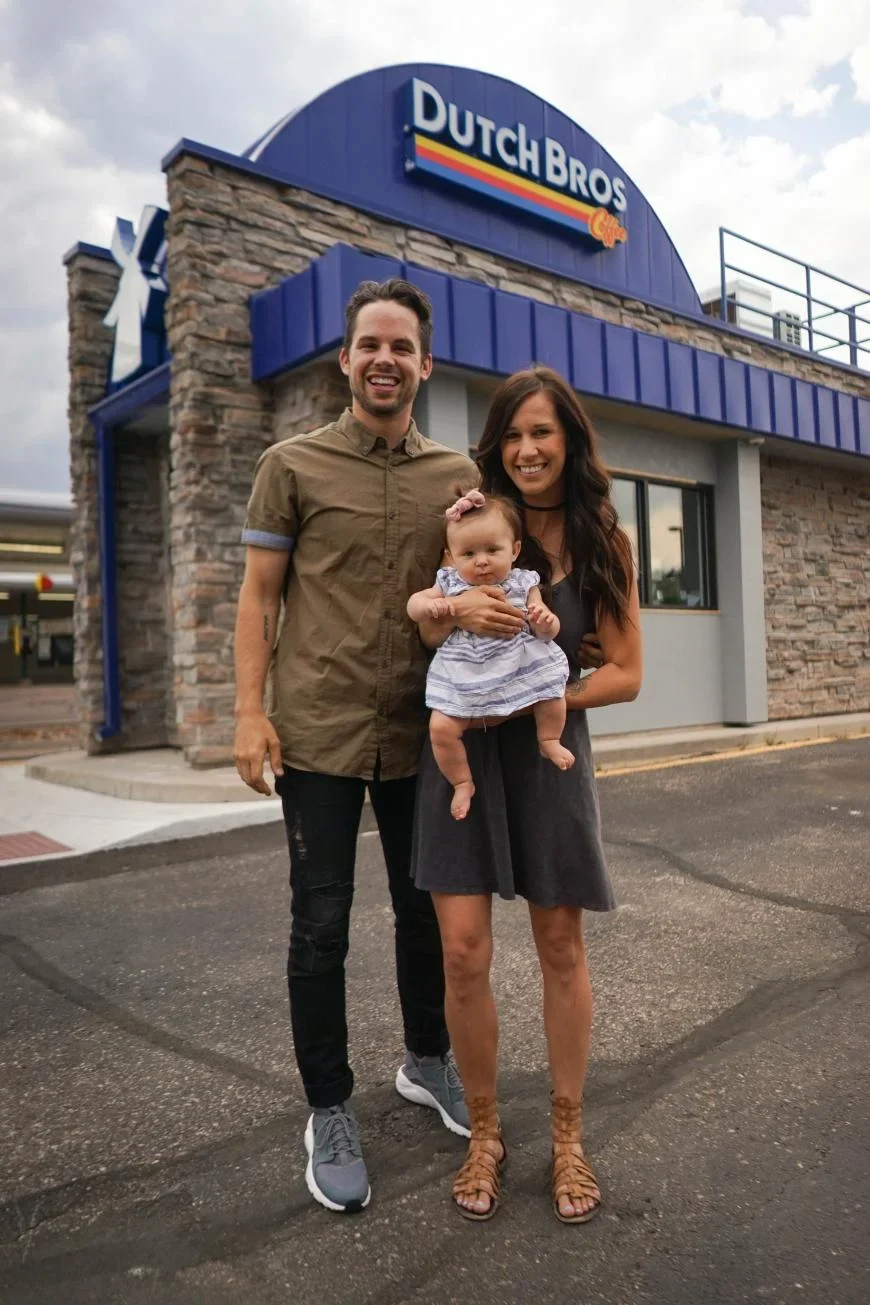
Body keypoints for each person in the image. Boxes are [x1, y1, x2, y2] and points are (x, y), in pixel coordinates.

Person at [233, 278, 494, 1213]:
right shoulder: (290, 464)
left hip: (420, 732)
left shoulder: (455, 477)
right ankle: (329, 1106)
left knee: (425, 912)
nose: (385, 358)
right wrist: (247, 711)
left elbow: (477, 576)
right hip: (320, 733)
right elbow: (259, 598)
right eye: (368, 344)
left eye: (402, 345)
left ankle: (426, 1059)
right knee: (322, 924)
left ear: (426, 363)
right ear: (346, 359)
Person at [410, 365, 643, 1224]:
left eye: (542, 431)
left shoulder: (602, 540)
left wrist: (542, 696)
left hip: (546, 751)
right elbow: (419, 614)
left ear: (570, 440)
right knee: (464, 950)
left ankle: (569, 1135)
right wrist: (454, 613)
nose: (527, 448)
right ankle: (484, 1132)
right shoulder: (469, 527)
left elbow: (626, 673)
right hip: (459, 748)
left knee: (559, 944)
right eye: (512, 433)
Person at [407, 488, 573, 821]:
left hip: (518, 664)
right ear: (451, 557)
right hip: (465, 669)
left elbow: (547, 629)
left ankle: (549, 738)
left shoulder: (524, 583)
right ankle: (462, 781)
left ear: (514, 550)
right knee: (440, 727)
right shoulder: (450, 583)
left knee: (552, 691)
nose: (481, 560)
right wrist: (433, 606)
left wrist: (545, 622)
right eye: (468, 553)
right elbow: (414, 605)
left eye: (492, 550)